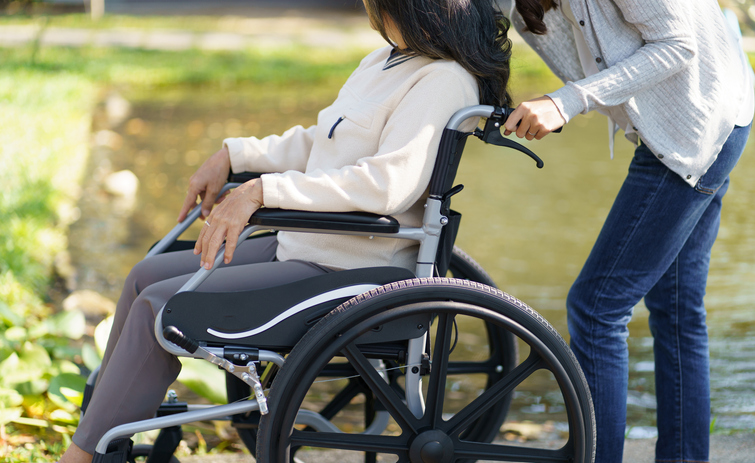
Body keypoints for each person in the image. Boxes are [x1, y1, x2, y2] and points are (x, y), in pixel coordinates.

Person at [58, 1, 512, 461]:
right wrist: (234, 156)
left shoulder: (443, 80)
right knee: (144, 277)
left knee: (162, 306)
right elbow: (319, 143)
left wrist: (261, 192)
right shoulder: (386, 60)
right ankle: (107, 434)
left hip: (352, 269)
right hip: (303, 247)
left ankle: (84, 453)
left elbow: (387, 185)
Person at [503, 0, 754, 462]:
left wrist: (566, 100)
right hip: (706, 112)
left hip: (695, 123)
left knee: (597, 307)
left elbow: (677, 44)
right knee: (676, 310)